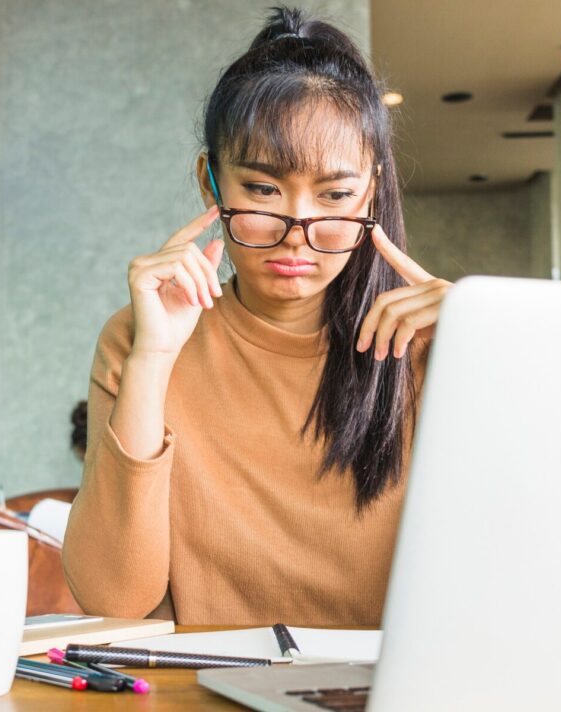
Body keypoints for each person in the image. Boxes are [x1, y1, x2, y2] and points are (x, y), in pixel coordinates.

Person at [62, 6, 451, 626]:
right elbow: (114, 600)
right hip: (206, 678)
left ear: (372, 192)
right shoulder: (141, 336)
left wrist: (488, 350)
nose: (297, 231)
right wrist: (153, 359)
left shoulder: (435, 347)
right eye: (263, 190)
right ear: (211, 183)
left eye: (335, 195)